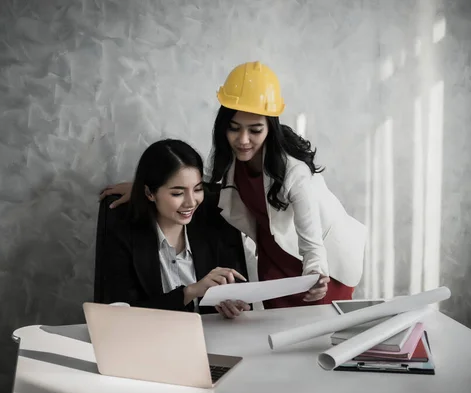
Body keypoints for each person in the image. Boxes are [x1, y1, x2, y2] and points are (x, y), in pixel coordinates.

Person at [99, 61, 366, 309]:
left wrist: (316, 276)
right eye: (234, 128)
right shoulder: (232, 161)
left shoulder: (294, 172)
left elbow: (312, 244)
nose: (243, 139)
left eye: (255, 130)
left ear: (270, 128)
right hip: (275, 258)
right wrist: (147, 186)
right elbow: (206, 189)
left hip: (322, 266)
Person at [96, 138, 251, 318]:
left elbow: (237, 286)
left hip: (214, 337)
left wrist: (231, 302)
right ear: (149, 193)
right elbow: (121, 314)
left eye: (198, 189)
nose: (191, 202)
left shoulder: (216, 217)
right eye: (177, 193)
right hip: (151, 339)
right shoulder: (123, 233)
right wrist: (189, 292)